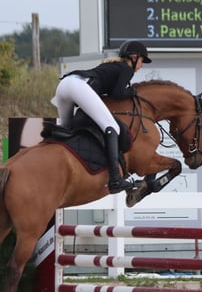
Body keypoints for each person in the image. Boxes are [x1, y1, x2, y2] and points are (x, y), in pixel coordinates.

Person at [52, 40, 152, 193]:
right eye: (142, 61)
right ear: (133, 57)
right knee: (112, 127)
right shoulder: (126, 69)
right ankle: (115, 179)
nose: (141, 65)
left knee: (67, 130)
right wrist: (132, 92)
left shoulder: (112, 65)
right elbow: (118, 93)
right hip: (77, 87)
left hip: (64, 86)